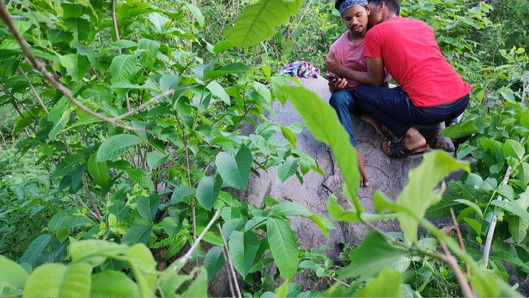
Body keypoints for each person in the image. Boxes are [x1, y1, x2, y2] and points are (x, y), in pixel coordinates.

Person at [326, 0, 471, 158]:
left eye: (368, 9)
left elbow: (375, 81)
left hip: (429, 109)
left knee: (362, 94)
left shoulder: (376, 33)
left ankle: (412, 138)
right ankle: (454, 128)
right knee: (433, 74)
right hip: (461, 100)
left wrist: (340, 70)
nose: (367, 13)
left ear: (381, 6)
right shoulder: (421, 25)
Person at [326, 0, 390, 187]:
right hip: (352, 97)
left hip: (377, 95)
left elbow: (380, 78)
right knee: (337, 98)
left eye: (358, 15)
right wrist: (335, 86)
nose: (354, 21)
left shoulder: (378, 35)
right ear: (343, 20)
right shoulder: (338, 47)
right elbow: (333, 84)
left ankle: (371, 115)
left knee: (366, 92)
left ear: (368, 11)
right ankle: (351, 149)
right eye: (348, 18)